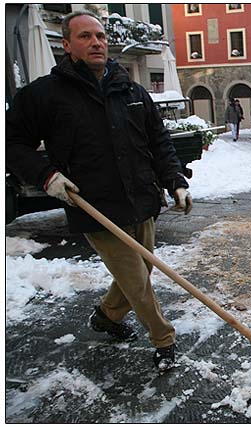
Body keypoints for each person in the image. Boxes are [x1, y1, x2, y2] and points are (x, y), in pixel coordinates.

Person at [6, 11, 193, 372]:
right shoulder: (46, 94)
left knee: (140, 270)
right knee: (136, 280)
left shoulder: (131, 91)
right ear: (67, 44)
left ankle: (107, 316)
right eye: (85, 36)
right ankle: (163, 339)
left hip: (141, 199)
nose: (96, 43)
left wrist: (175, 181)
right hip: (95, 207)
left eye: (101, 36)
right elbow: (11, 141)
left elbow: (158, 141)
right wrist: (46, 176)